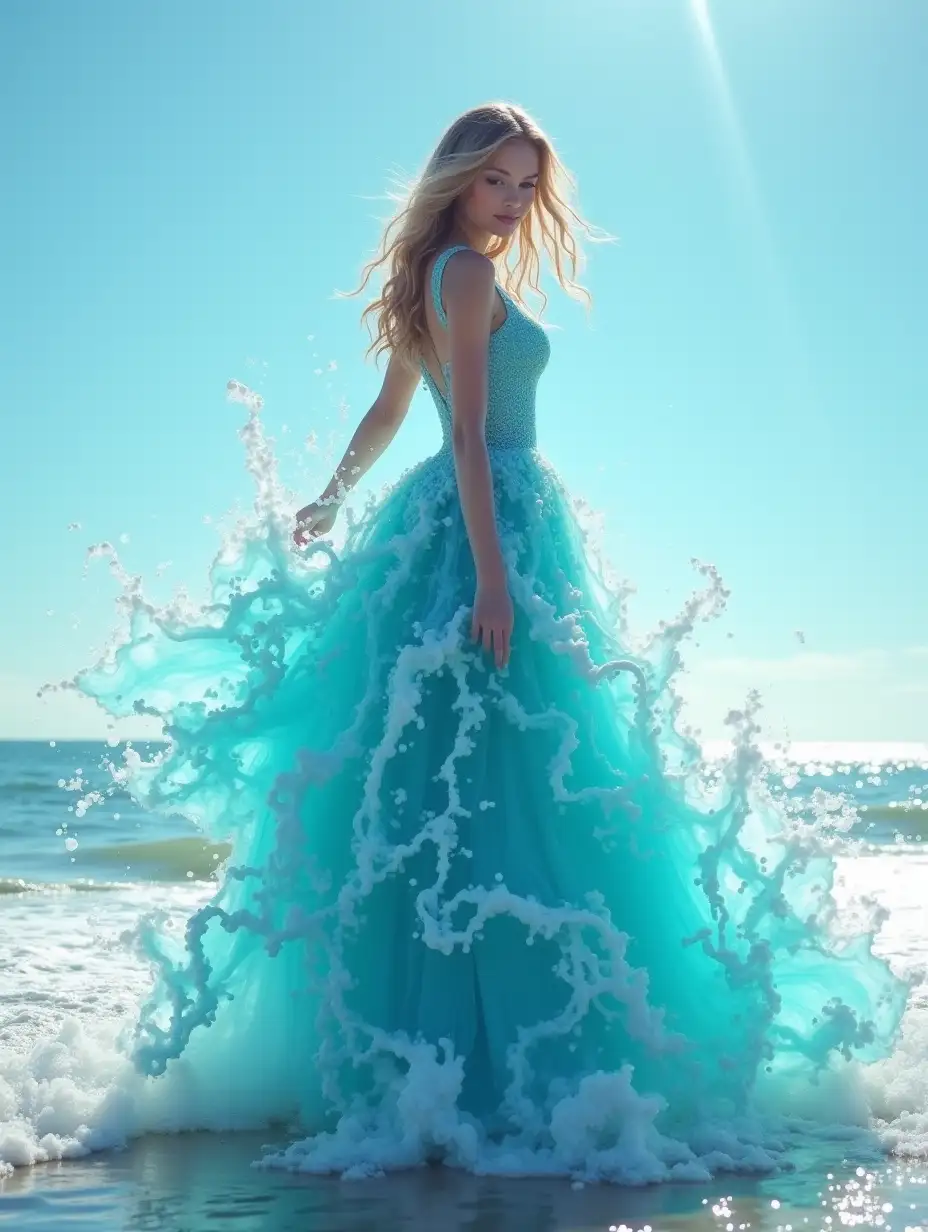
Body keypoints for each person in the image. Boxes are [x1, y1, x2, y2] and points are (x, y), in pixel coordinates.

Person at [77, 102, 906, 1179]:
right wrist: (496, 575)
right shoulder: (463, 274)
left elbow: (388, 413)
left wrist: (332, 496)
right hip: (491, 525)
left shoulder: (439, 274)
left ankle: (450, 1075)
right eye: (497, 181)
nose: (513, 202)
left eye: (526, 186)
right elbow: (461, 429)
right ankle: (517, 1073)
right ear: (457, 179)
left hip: (458, 528)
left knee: (464, 795)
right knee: (509, 791)